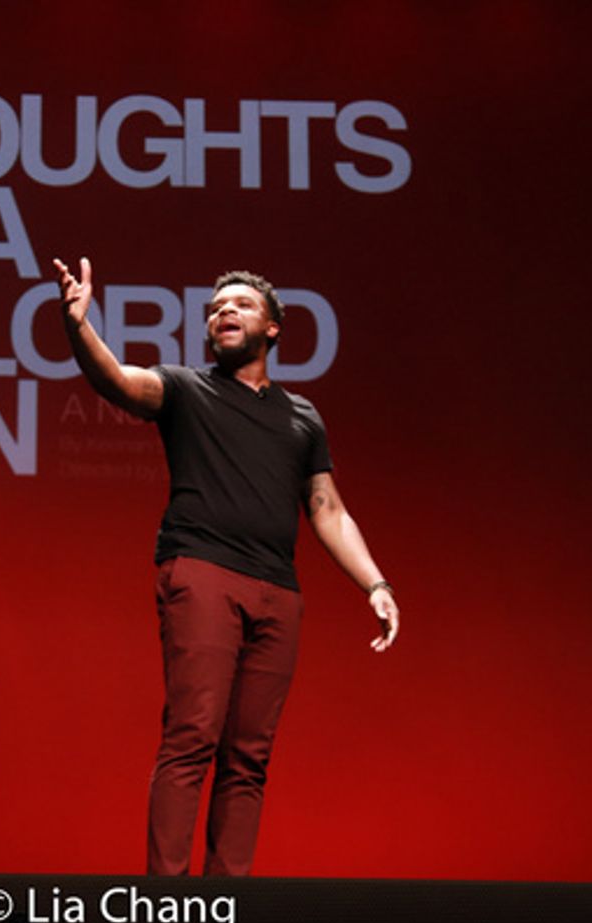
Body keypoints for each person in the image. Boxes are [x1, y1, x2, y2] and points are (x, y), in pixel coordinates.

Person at [53, 256, 400, 877]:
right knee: (192, 738)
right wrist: (80, 327)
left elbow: (326, 508)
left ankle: (227, 903)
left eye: (239, 306)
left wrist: (374, 582)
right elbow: (119, 383)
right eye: (215, 310)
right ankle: (168, 901)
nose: (223, 314)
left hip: (279, 594)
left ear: (273, 329)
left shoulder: (302, 417)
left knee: (249, 758)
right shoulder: (187, 389)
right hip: (202, 572)